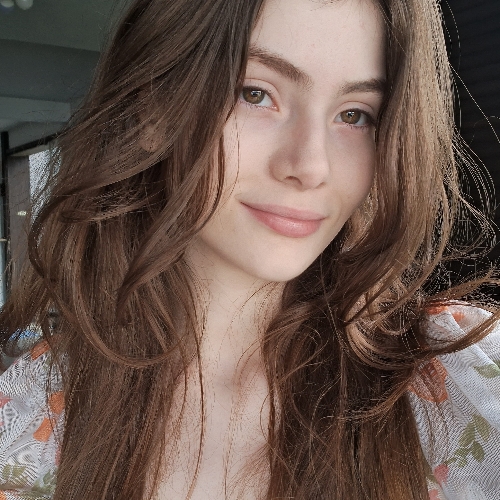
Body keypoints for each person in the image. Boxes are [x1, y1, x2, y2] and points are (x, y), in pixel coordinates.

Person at [0, 0, 499, 498]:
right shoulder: (28, 419)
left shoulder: (462, 381)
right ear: (152, 110)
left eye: (355, 115)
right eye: (254, 94)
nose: (311, 166)